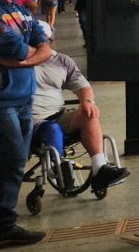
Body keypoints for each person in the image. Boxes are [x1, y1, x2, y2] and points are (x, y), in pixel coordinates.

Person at [0, 0, 54, 247]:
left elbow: (45, 45)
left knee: (15, 161)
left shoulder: (18, 8)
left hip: (24, 98)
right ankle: (3, 224)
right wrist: (30, 53)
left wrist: (27, 57)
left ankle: (3, 219)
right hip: (2, 100)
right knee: (13, 160)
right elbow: (16, 48)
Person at [32, 51, 130, 192]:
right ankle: (58, 167)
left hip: (57, 115)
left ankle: (100, 168)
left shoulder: (61, 60)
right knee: (52, 129)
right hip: (29, 119)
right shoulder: (16, 59)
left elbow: (83, 86)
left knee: (88, 113)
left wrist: (87, 101)